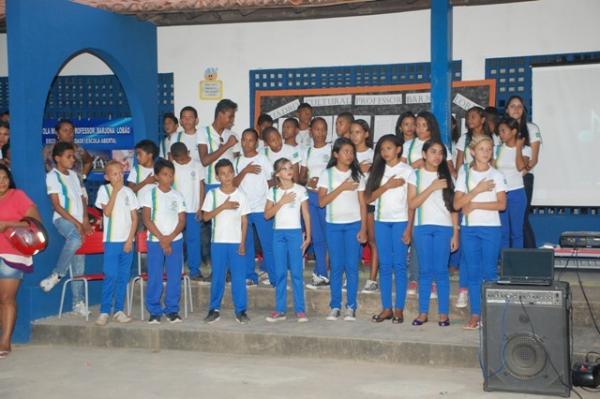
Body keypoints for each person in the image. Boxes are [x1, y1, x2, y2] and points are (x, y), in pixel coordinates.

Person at [453, 135, 506, 330]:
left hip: (491, 229)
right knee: (473, 273)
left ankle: (489, 315)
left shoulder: (497, 175)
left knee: (489, 272)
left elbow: (502, 205)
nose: (486, 152)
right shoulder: (464, 172)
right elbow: (457, 203)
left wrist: (474, 204)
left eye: (490, 149)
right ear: (473, 152)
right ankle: (475, 315)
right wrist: (477, 190)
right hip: (469, 229)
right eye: (482, 149)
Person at [407, 140, 459, 327]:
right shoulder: (415, 175)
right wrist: (431, 187)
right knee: (425, 271)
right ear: (424, 154)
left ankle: (444, 314)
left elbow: (454, 208)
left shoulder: (448, 177)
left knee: (441, 272)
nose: (437, 156)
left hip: (444, 228)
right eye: (433, 152)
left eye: (441, 153)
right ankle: (423, 313)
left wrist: (455, 233)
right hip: (422, 227)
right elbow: (412, 204)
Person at [40, 142, 93, 316]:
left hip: (78, 221)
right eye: (68, 156)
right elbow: (56, 205)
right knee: (76, 238)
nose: (73, 159)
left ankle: (78, 302)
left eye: (73, 156)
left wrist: (84, 221)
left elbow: (83, 199)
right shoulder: (52, 176)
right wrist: (77, 224)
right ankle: (57, 274)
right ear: (57, 158)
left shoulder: (74, 176)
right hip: (63, 219)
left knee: (79, 264)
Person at [365, 135, 413, 323]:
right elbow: (368, 198)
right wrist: (387, 186)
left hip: (400, 221)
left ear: (398, 149)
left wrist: (409, 228)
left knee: (399, 266)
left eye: (389, 148)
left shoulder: (407, 171)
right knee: (385, 266)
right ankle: (387, 308)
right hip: (381, 222)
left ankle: (399, 309)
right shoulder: (377, 170)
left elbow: (411, 203)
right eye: (382, 149)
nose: (385, 152)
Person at [318, 137, 367, 321]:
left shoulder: (358, 175)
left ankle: (351, 306)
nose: (349, 155)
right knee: (336, 267)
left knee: (352, 267)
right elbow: (322, 201)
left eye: (351, 152)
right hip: (333, 226)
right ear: (336, 154)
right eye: (345, 151)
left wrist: (363, 228)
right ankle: (335, 305)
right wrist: (342, 187)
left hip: (353, 224)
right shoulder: (327, 174)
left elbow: (363, 204)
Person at [202, 159, 250, 324]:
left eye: (229, 172)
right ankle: (214, 309)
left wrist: (243, 243)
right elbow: (205, 216)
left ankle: (241, 310)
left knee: (238, 277)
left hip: (236, 242)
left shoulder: (241, 194)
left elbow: (245, 221)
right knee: (218, 277)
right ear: (217, 177)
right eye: (223, 174)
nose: (227, 176)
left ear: (233, 173)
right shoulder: (212, 194)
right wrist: (223, 206)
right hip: (219, 242)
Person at [0, 164, 41, 357]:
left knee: (7, 298)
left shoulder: (18, 196)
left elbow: (34, 221)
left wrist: (8, 224)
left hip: (12, 254)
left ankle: (6, 341)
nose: (2, 182)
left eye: (5, 178)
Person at [264, 158, 311, 322]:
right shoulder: (273, 192)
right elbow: (267, 214)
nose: (289, 171)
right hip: (278, 234)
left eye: (290, 167)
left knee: (297, 273)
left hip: (295, 233)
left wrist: (308, 236)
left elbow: (305, 214)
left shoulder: (300, 190)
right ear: (278, 174)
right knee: (280, 272)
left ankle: (300, 309)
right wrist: (281, 202)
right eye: (284, 169)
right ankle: (280, 309)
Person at [141, 159, 186, 324]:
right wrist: (162, 238)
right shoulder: (149, 194)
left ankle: (172, 309)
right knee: (155, 276)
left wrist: (170, 237)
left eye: (171, 175)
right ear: (157, 176)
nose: (169, 178)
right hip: (155, 241)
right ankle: (154, 310)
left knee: (174, 276)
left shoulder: (177, 195)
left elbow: (182, 220)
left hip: (175, 240)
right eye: (165, 174)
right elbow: (146, 219)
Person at [94, 161, 138, 326]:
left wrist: (129, 240)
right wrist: (115, 192)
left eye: (120, 173)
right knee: (110, 275)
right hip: (111, 241)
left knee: (123, 277)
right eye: (114, 174)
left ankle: (118, 309)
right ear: (107, 177)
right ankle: (105, 310)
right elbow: (107, 212)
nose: (118, 176)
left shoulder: (129, 192)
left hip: (126, 242)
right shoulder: (104, 190)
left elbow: (134, 218)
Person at [233, 128, 275, 287]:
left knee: (268, 245)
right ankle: (250, 276)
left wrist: (269, 202)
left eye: (250, 140)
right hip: (245, 210)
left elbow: (273, 181)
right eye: (244, 139)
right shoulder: (237, 161)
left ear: (256, 142)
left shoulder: (263, 159)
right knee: (247, 244)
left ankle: (274, 278)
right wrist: (245, 170)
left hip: (261, 208)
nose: (246, 143)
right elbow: (234, 183)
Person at [505, 95, 541, 248]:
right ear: (507, 109)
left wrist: (517, 177)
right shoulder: (501, 130)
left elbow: (533, 160)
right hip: (504, 183)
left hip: (522, 180)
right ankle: (506, 260)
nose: (516, 109)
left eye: (519, 106)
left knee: (522, 221)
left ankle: (531, 260)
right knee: (505, 223)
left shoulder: (531, 128)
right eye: (512, 106)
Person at [300, 117, 331, 290]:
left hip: (327, 197)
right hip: (311, 196)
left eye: (323, 129)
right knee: (317, 237)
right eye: (317, 129)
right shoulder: (307, 151)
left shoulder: (332, 149)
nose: (320, 133)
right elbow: (300, 177)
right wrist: (308, 181)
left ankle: (328, 271)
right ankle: (321, 274)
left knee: (329, 236)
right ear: (311, 131)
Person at [349, 120, 378, 294]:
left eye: (358, 132)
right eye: (351, 132)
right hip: (350, 204)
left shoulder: (374, 154)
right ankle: (349, 276)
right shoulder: (347, 154)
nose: (354, 135)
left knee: (373, 241)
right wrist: (359, 168)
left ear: (366, 134)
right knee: (352, 242)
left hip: (368, 203)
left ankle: (372, 279)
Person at [171, 142, 206, 281]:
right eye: (179, 159)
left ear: (188, 152)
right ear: (174, 158)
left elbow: (201, 186)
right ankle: (176, 270)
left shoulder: (197, 165)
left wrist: (201, 207)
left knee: (193, 240)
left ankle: (194, 270)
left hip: (193, 210)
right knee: (176, 240)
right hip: (176, 211)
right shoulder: (172, 166)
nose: (182, 161)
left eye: (184, 158)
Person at [494, 117, 530, 249]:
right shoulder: (496, 149)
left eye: (503, 131)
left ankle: (516, 265)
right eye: (499, 131)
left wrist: (518, 148)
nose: (501, 134)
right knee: (503, 232)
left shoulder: (525, 149)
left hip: (517, 193)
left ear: (514, 131)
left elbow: (521, 167)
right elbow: (492, 170)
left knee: (517, 232)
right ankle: (503, 263)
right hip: (501, 193)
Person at [197, 99, 240, 192]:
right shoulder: (203, 132)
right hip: (212, 185)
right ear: (220, 115)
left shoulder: (233, 135)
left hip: (230, 185)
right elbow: (204, 161)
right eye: (230, 117)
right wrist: (227, 145)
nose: (232, 120)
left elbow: (237, 162)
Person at [401, 111, 455, 178]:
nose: (420, 128)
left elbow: (451, 170)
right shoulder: (408, 145)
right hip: (414, 183)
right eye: (418, 125)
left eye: (424, 125)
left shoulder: (440, 145)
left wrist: (432, 163)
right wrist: (415, 165)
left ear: (431, 127)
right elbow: (401, 170)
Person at [455, 107, 495, 171]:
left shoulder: (493, 138)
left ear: (482, 120)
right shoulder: (464, 138)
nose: (469, 120)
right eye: (468, 117)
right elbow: (459, 164)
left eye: (473, 117)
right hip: (469, 176)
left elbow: (494, 161)